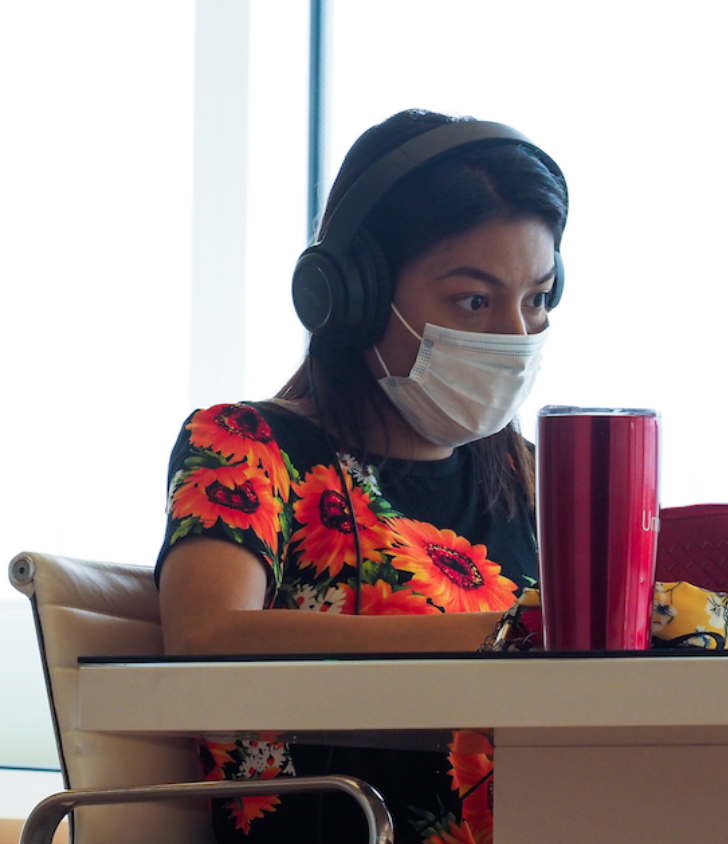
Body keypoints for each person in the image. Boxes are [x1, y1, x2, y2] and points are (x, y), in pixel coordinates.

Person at [154, 108, 567, 844]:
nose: (516, 336)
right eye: (474, 300)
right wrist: (506, 638)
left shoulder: (525, 474)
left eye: (536, 299)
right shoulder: (247, 443)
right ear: (352, 297)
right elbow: (205, 636)